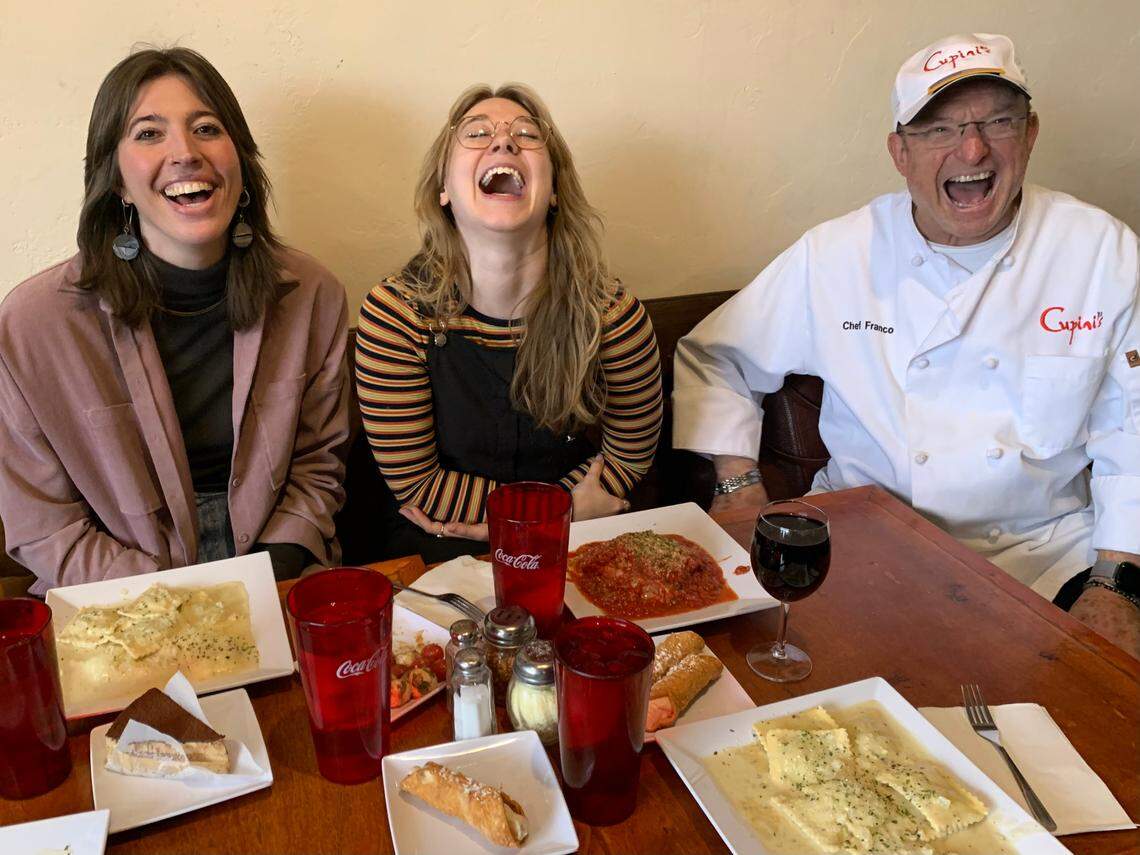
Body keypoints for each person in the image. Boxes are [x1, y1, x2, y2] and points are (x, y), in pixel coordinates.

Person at [673, 33, 1140, 656]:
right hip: (862, 543)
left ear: (1028, 135)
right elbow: (715, 356)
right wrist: (738, 485)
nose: (972, 148)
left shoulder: (1100, 251)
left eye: (996, 122)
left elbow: (1132, 427)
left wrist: (1118, 581)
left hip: (1045, 556)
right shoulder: (836, 254)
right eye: (939, 129)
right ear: (900, 152)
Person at [0, 48, 350, 592]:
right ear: (114, 180)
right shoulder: (31, 326)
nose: (186, 153)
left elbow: (316, 468)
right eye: (148, 134)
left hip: (275, 569)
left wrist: (263, 577)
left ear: (241, 161)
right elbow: (46, 527)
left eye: (207, 128)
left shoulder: (313, 295)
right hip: (114, 593)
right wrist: (180, 602)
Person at [355, 83, 662, 562]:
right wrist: (555, 514)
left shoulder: (613, 314)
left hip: (572, 542)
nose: (503, 142)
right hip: (437, 546)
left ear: (555, 188)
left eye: (526, 133)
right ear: (443, 190)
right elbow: (419, 486)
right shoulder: (395, 313)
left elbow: (630, 457)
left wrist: (532, 527)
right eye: (477, 134)